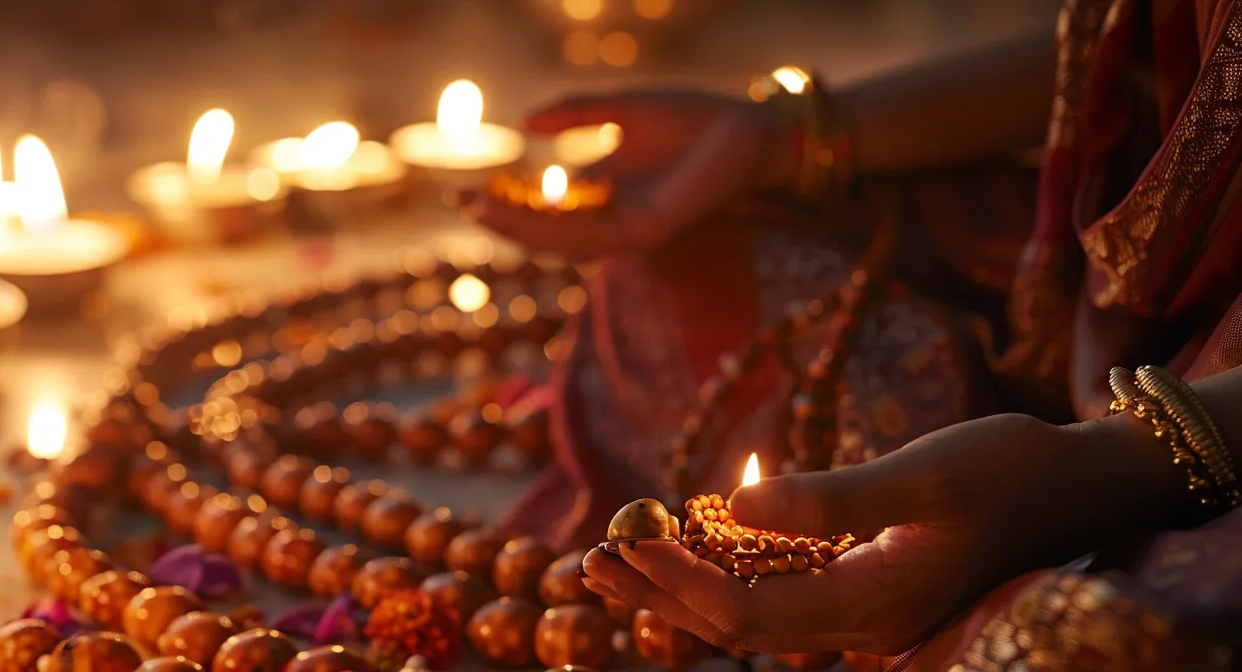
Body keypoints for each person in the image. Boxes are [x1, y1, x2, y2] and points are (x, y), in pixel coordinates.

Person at [463, 0, 1242, 667]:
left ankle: (984, 520)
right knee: (688, 258)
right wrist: (781, 139)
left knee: (1085, 640)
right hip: (1094, 287)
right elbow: (1119, 58)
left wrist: (1108, 467)